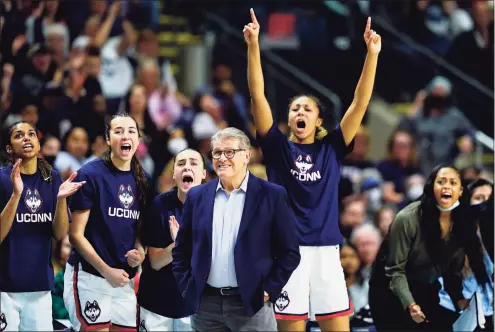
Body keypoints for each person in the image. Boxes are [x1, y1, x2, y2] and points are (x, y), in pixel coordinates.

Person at [243, 8, 381, 332]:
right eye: (294, 109)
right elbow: (257, 95)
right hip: (287, 253)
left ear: (318, 120)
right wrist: (253, 45)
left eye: (307, 108)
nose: (300, 111)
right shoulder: (277, 148)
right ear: (289, 119)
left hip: (327, 253)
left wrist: (371, 54)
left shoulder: (332, 147)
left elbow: (359, 103)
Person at [172, 127, 300, 332]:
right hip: (206, 307)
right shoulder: (196, 196)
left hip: (251, 305)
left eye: (229, 152)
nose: (222, 158)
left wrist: (268, 290)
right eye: (217, 152)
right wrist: (189, 288)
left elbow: (290, 252)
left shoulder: (272, 195)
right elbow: (181, 250)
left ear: (247, 155)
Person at [369, 164, 490, 331]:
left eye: (453, 182)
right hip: (390, 293)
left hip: (426, 290)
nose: (447, 186)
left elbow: (452, 271)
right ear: (431, 188)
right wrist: (410, 305)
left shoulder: (462, 221)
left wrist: (459, 299)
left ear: (461, 191)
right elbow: (395, 272)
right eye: (441, 181)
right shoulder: (407, 218)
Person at [63, 113, 151, 331]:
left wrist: (139, 253)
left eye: (131, 131)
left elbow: (141, 231)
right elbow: (75, 235)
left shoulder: (144, 179)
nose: (125, 136)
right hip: (90, 275)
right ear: (108, 139)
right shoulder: (90, 175)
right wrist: (106, 271)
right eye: (118, 132)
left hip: (123, 279)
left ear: (138, 140)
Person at [0, 121, 84, 331]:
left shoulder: (52, 178)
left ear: (38, 144)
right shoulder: (2, 179)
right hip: (5, 287)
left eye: (31, 134)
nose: (26, 138)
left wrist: (62, 199)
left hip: (40, 287)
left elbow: (59, 233)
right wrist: (16, 194)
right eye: (19, 135)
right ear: (9, 149)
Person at [137, 148, 206, 331]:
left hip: (195, 308)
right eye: (181, 164)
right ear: (174, 173)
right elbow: (156, 262)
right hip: (156, 306)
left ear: (204, 173)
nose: (187, 168)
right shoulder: (159, 207)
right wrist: (179, 244)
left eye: (193, 163)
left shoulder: (214, 209)